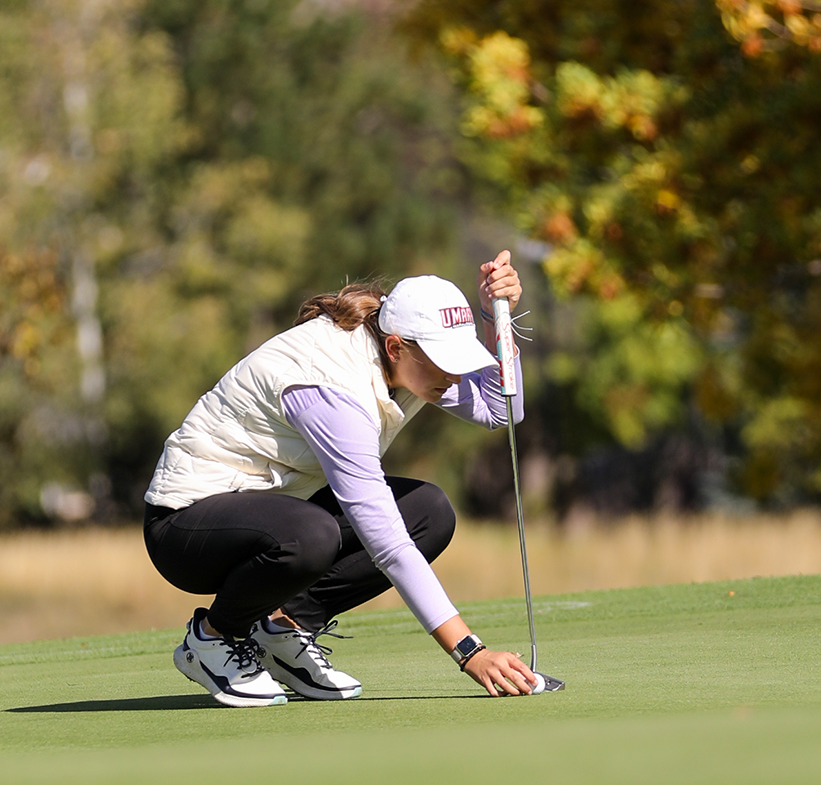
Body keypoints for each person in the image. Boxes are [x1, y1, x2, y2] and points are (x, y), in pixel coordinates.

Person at [143, 251, 540, 707]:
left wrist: (495, 318)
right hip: (185, 528)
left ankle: (283, 627)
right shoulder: (332, 387)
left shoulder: (409, 362)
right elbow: (385, 541)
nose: (453, 375)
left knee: (428, 512)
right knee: (312, 533)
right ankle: (213, 638)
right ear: (395, 347)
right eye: (443, 361)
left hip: (276, 515)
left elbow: (501, 409)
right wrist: (471, 652)